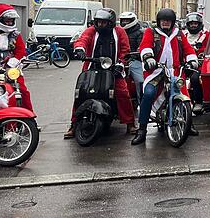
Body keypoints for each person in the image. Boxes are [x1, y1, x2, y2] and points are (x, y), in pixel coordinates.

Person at [132, 8, 199, 145]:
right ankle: (142, 130)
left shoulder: (178, 34)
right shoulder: (151, 32)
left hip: (175, 72)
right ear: (159, 21)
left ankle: (188, 123)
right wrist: (148, 57)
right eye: (163, 21)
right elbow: (145, 46)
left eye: (168, 21)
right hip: (155, 72)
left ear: (172, 22)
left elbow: (188, 49)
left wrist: (192, 60)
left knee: (184, 94)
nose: (165, 23)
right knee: (149, 94)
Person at [65, 8, 136, 138]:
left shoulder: (119, 32)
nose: (100, 25)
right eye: (98, 22)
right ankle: (74, 125)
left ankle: (130, 123)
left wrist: (120, 64)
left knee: (123, 93)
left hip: (113, 68)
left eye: (103, 22)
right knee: (80, 93)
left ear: (110, 23)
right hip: (91, 67)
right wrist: (80, 49)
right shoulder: (91, 30)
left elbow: (125, 50)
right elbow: (83, 40)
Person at [0, 4, 32, 110]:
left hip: (11, 68)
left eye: (11, 21)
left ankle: (29, 115)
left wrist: (13, 62)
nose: (9, 23)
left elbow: (21, 51)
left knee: (22, 90)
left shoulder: (15, 35)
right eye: (6, 21)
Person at [182, 12, 208, 113]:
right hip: (185, 64)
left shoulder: (206, 35)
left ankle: (198, 101)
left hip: (200, 65)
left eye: (195, 23)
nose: (193, 25)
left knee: (195, 78)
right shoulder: (183, 35)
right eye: (191, 24)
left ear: (200, 24)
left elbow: (209, 48)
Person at [119, 11, 145, 101]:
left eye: (127, 20)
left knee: (140, 80)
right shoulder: (118, 32)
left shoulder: (140, 33)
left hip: (134, 60)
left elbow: (141, 47)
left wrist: (134, 55)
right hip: (119, 60)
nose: (125, 22)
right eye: (123, 20)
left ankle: (141, 102)